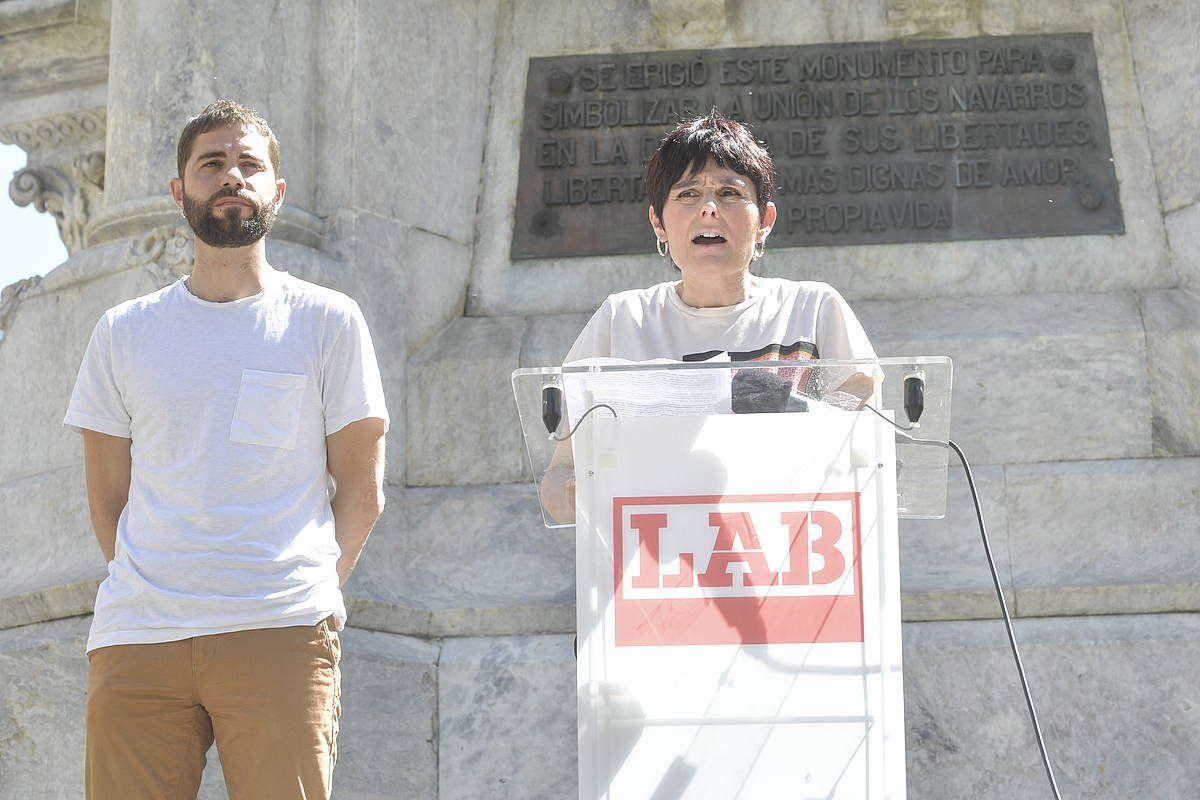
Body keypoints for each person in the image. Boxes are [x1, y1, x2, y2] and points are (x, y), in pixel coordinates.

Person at [64, 99, 389, 800]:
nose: (232, 176)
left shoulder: (328, 321)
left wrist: (313, 594)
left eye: (250, 164)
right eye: (212, 163)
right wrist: (159, 586)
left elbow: (361, 491)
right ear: (179, 191)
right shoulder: (123, 332)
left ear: (277, 190)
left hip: (279, 627)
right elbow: (107, 498)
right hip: (138, 636)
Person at [542, 111, 876, 522]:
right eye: (687, 194)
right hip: (656, 561)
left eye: (730, 193)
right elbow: (560, 478)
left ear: (764, 222)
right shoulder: (622, 319)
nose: (709, 209)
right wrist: (590, 490)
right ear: (658, 223)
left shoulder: (815, 309)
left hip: (792, 554)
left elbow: (866, 447)